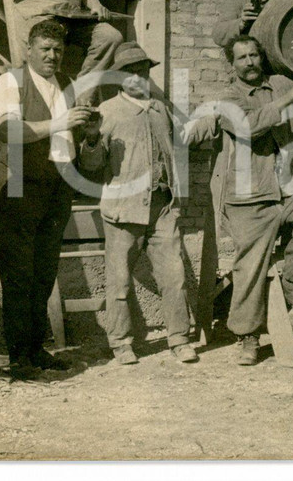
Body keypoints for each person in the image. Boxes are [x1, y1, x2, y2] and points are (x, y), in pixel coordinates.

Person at [79, 42, 218, 366]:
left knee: (174, 278)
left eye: (142, 71)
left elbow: (181, 138)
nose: (137, 78)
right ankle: (121, 343)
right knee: (119, 282)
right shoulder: (107, 112)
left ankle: (179, 339)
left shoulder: (159, 109)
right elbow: (91, 165)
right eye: (129, 73)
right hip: (123, 211)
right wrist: (91, 139)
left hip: (162, 208)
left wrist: (213, 120)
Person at [215, 35, 293, 365]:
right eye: (242, 58)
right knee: (251, 264)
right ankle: (248, 335)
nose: (250, 62)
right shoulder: (228, 97)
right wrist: (286, 101)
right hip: (251, 195)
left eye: (254, 55)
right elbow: (246, 126)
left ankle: (292, 285)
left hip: (291, 187)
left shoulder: (281, 83)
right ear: (232, 64)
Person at [0, 19, 95, 379]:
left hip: (57, 186)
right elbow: (8, 130)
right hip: (20, 184)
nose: (52, 55)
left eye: (58, 50)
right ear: (29, 50)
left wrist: (89, 129)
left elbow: (72, 137)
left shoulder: (67, 83)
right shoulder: (11, 82)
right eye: (45, 49)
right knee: (19, 274)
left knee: (44, 271)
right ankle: (19, 357)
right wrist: (60, 123)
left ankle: (36, 349)